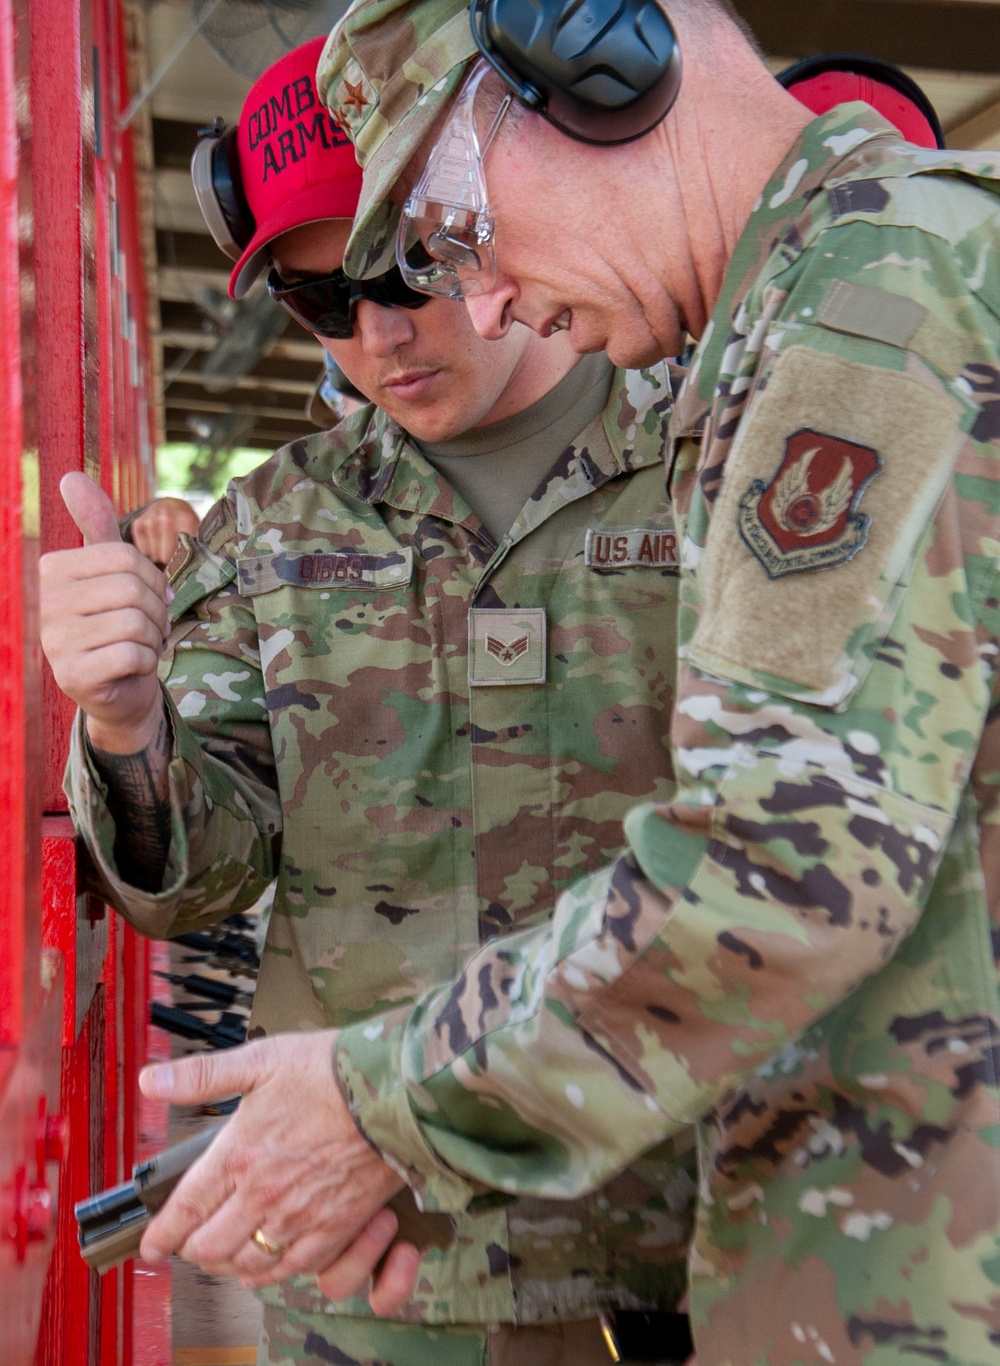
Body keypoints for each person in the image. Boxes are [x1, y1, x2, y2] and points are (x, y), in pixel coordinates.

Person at [258, 1, 1000, 1359]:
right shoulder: (808, 315)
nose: (480, 303)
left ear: (603, 73)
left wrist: (382, 1101)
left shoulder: (875, 305)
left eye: (459, 234)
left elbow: (785, 858)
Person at [43, 36, 698, 1366]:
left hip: (690, 1239)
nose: (380, 336)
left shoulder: (705, 457)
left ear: (494, 212)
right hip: (385, 1267)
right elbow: (200, 874)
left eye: (410, 267)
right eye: (320, 298)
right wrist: (124, 723)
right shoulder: (276, 525)